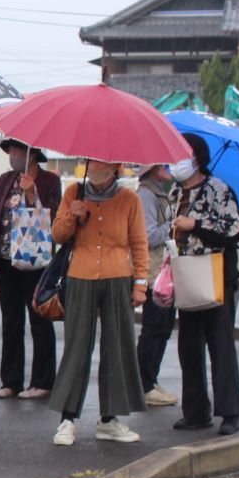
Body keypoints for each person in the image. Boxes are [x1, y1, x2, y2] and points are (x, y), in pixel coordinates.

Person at [48, 159, 149, 447]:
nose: (94, 167)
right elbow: (57, 234)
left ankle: (109, 419)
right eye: (90, 161)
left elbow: (138, 243)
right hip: (80, 275)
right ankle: (67, 420)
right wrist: (72, 215)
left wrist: (141, 283)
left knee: (118, 346)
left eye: (101, 163)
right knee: (77, 345)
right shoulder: (73, 193)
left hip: (119, 278)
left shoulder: (129, 199)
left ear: (115, 166)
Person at [168, 132, 239, 436]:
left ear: (197, 158)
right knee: (188, 346)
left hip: (214, 275)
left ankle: (230, 413)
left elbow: (235, 228)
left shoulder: (217, 189)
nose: (176, 162)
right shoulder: (176, 193)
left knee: (221, 345)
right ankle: (196, 411)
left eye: (182, 155)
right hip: (186, 275)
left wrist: (196, 225)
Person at [0, 139, 61, 401]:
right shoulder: (7, 179)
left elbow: (54, 220)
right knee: (11, 322)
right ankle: (11, 381)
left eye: (15, 150)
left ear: (31, 153)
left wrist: (32, 195)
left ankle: (42, 380)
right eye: (10, 151)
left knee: (40, 320)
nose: (12, 155)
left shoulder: (49, 180)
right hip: (8, 260)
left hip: (36, 261)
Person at [135, 164, 179, 407]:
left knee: (162, 327)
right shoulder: (146, 195)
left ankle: (149, 379)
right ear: (151, 169)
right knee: (154, 327)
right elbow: (149, 235)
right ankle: (143, 384)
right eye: (164, 165)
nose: (169, 168)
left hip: (163, 272)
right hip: (154, 273)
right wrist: (174, 224)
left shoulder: (160, 193)